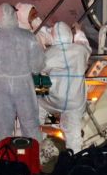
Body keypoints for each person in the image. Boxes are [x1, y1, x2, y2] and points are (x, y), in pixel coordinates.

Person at [0, 3, 45, 143]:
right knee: (30, 124)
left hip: (0, 86)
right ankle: (34, 159)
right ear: (14, 16)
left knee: (2, 127)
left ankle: (4, 159)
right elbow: (37, 64)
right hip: (24, 84)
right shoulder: (28, 37)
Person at [38, 21, 91, 154]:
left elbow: (38, 69)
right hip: (74, 103)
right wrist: (78, 31)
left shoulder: (48, 53)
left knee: (37, 108)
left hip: (53, 101)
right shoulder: (80, 51)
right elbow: (85, 45)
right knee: (73, 134)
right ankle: (74, 159)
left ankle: (39, 146)